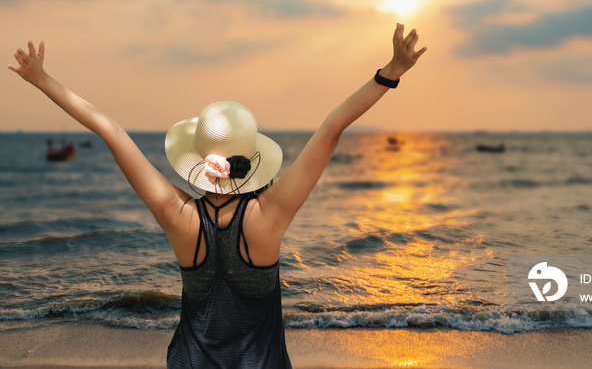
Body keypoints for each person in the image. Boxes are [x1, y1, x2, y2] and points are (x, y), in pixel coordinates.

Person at [8, 23, 427, 368]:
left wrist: (42, 80)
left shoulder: (177, 213)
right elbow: (332, 126)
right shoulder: (269, 215)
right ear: (252, 161)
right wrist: (391, 71)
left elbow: (110, 130)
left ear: (197, 160)